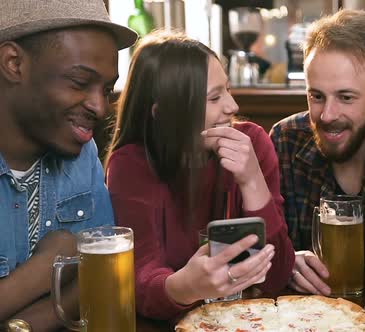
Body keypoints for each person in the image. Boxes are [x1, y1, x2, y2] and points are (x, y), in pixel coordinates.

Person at [106, 31, 295, 321]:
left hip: (244, 320)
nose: (233, 107)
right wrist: (185, 286)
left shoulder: (252, 142)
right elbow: (140, 281)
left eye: (228, 90)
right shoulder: (130, 165)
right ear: (163, 113)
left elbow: (277, 274)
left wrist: (252, 181)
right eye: (215, 97)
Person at [0, 0, 136, 330]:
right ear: (14, 63)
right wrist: (45, 268)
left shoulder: (81, 148)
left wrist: (19, 324)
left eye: (106, 89)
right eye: (79, 82)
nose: (100, 107)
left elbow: (96, 279)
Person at [270, 9, 365, 295]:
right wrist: (287, 261)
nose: (328, 115)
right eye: (316, 96)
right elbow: (268, 247)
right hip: (309, 316)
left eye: (346, 97)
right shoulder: (285, 140)